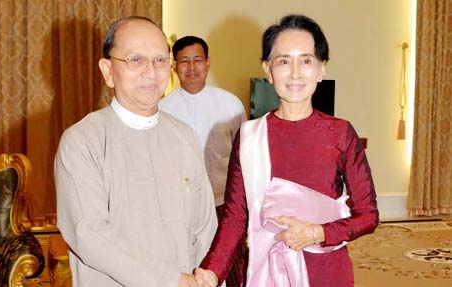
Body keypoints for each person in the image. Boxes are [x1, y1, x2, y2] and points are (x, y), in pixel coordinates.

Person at [195, 14, 379, 287]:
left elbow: (368, 215)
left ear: (321, 69)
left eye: (306, 60)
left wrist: (317, 233)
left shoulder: (340, 133)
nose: (295, 72)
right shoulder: (249, 136)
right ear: (268, 70)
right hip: (267, 268)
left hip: (326, 270)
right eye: (283, 61)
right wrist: (211, 271)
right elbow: (235, 218)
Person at [54, 16, 217, 287]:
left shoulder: (184, 136)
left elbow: (205, 227)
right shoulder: (82, 141)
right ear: (107, 71)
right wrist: (171, 280)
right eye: (136, 60)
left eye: (160, 60)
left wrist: (208, 276)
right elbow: (89, 234)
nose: (150, 72)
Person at [159, 36, 246, 208]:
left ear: (207, 63)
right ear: (174, 66)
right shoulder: (162, 109)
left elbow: (244, 154)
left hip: (223, 202)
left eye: (197, 60)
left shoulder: (231, 104)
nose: (191, 67)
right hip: (178, 202)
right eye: (184, 61)